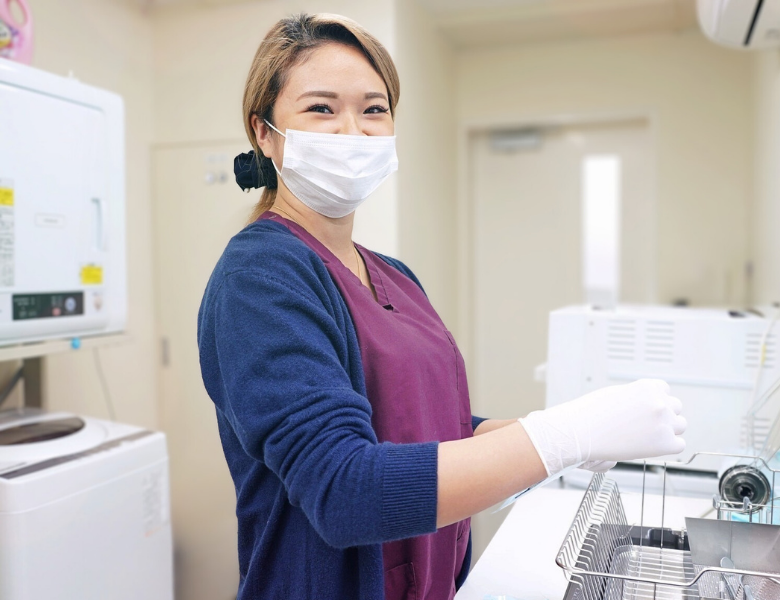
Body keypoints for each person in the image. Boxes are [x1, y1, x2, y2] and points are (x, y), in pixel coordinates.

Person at [197, 13, 687, 600]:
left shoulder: (394, 276)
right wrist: (564, 435)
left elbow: (428, 426)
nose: (353, 131)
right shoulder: (260, 276)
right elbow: (343, 488)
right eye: (321, 109)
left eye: (374, 110)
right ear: (265, 132)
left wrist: (539, 441)